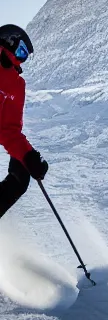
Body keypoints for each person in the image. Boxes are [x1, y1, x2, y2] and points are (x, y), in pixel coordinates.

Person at [0, 24, 48, 219]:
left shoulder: (16, 84)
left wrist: (27, 156)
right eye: (21, 51)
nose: (21, 60)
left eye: (25, 55)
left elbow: (8, 129)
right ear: (8, 41)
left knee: (20, 180)